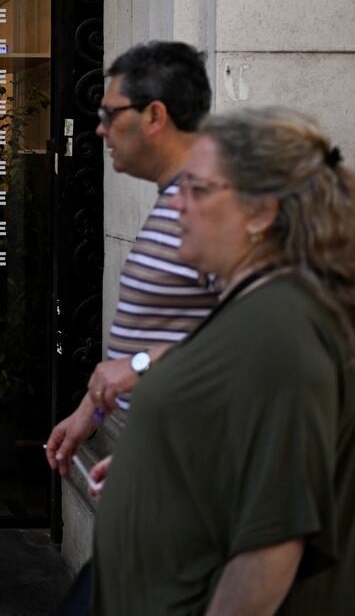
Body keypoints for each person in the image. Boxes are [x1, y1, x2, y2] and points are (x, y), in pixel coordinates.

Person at [88, 106, 355, 614]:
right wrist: (159, 468)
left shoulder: (279, 328)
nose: (177, 206)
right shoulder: (256, 304)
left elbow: (269, 552)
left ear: (261, 212)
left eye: (199, 190)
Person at [45, 41, 216, 475]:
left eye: (110, 115)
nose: (99, 130)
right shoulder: (179, 201)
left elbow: (265, 338)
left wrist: (136, 366)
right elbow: (171, 327)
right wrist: (94, 410)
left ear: (155, 116)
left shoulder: (217, 207)